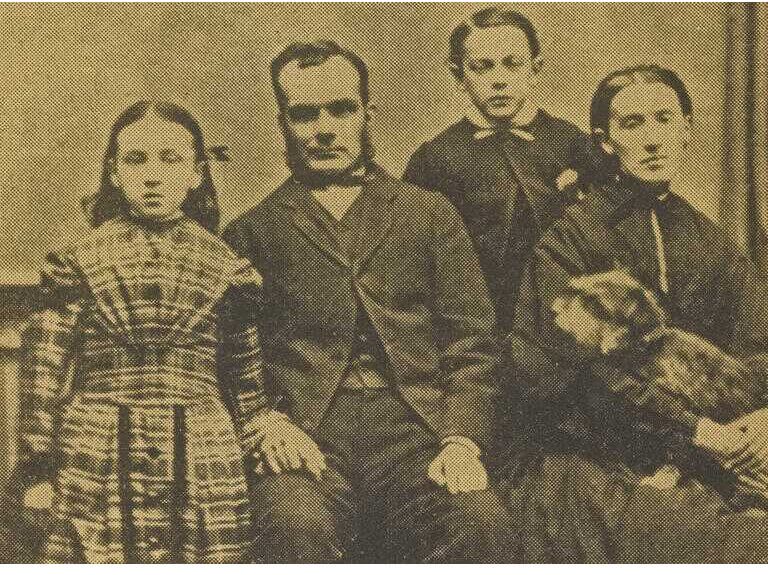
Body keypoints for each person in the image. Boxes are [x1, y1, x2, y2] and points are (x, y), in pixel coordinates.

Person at [223, 40, 514, 563]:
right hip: (310, 438)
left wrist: (461, 440)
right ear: (283, 124)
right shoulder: (254, 231)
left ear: (367, 114)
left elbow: (473, 346)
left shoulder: (428, 214)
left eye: (341, 109)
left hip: (417, 432)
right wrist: (266, 419)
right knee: (294, 520)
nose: (325, 128)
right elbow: (235, 357)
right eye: (305, 114)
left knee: (479, 518)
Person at [504, 64, 768, 562]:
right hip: (602, 450)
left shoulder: (713, 241)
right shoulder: (571, 239)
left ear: (687, 128)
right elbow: (580, 375)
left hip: (717, 448)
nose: (651, 140)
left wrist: (759, 421)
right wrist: (695, 432)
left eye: (664, 120)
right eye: (632, 125)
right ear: (606, 142)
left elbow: (757, 345)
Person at [15, 101, 264, 563]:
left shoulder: (227, 268)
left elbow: (246, 383)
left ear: (196, 172)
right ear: (113, 172)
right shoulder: (80, 260)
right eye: (136, 160)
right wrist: (36, 468)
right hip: (95, 447)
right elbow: (43, 372)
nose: (153, 176)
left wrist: (255, 449)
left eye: (170, 160)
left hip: (204, 451)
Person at [404, 7, 597, 334]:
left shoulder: (574, 146)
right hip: (474, 329)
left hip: (564, 327)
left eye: (512, 64)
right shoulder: (433, 160)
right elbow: (416, 263)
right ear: (458, 76)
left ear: (535, 69)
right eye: (482, 68)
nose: (498, 80)